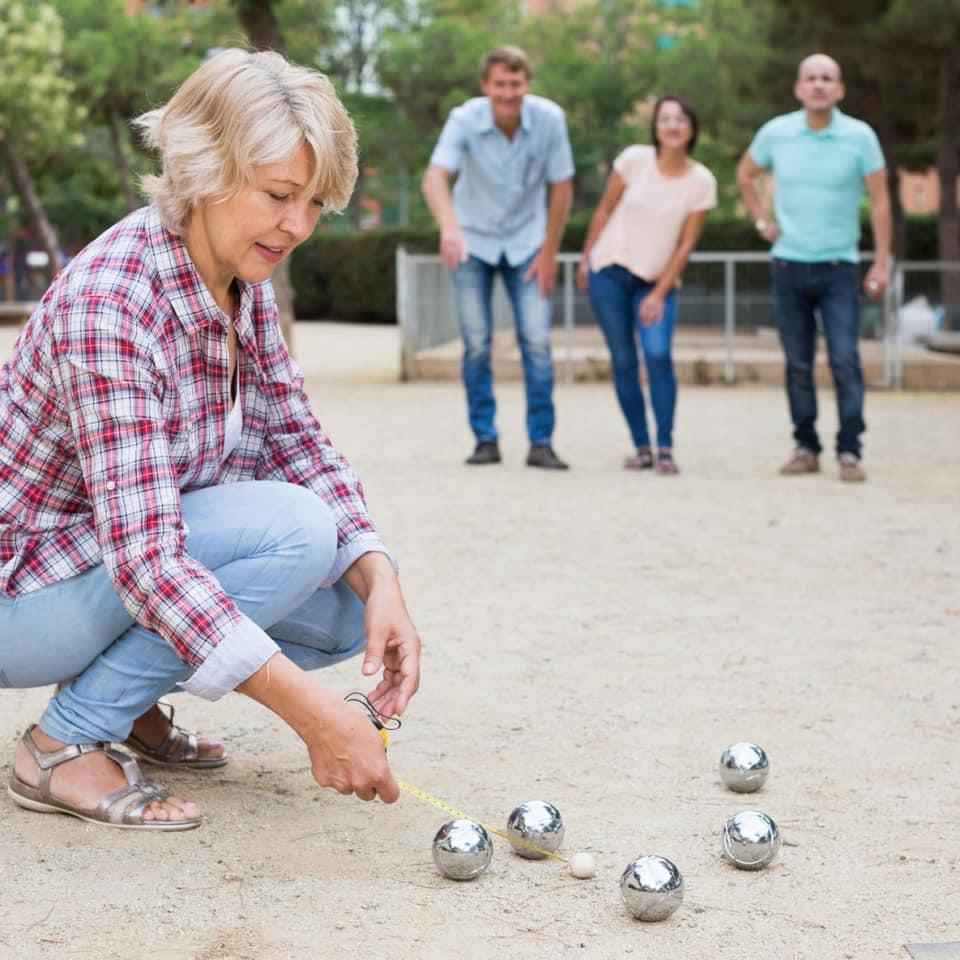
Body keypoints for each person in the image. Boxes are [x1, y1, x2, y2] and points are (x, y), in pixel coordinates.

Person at [0, 50, 421, 831]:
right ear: (205, 169)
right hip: (20, 590)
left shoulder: (236, 274)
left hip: (101, 565)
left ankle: (126, 707)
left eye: (314, 204)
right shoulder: (112, 304)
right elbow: (148, 561)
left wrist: (380, 577)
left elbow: (297, 439)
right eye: (280, 196)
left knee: (340, 606)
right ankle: (63, 744)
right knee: (294, 533)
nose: (298, 226)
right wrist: (316, 716)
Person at [737, 53, 891, 483]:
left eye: (827, 78)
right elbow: (745, 173)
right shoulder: (777, 133)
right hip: (789, 265)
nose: (819, 85)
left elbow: (880, 201)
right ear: (798, 89)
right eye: (811, 78)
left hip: (839, 266)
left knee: (845, 358)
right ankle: (806, 445)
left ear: (840, 89)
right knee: (798, 363)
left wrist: (880, 261)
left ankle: (850, 450)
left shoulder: (860, 137)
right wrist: (761, 220)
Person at [422, 46, 574, 470]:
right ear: (486, 85)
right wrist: (448, 226)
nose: (508, 93)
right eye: (500, 84)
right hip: (473, 241)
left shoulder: (549, 120)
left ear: (527, 84)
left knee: (538, 342)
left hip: (527, 244)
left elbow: (562, 187)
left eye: (516, 84)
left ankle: (541, 442)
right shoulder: (464, 119)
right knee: (476, 343)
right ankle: (485, 439)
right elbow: (436, 175)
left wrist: (549, 252)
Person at [577, 96, 716, 475]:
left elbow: (686, 244)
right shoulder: (634, 161)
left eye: (680, 119)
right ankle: (641, 446)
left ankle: (665, 445)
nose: (672, 125)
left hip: (656, 281)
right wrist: (586, 258)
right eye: (665, 119)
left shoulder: (701, 182)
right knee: (623, 359)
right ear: (655, 127)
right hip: (609, 271)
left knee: (657, 354)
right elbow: (604, 210)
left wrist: (658, 293)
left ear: (691, 128)